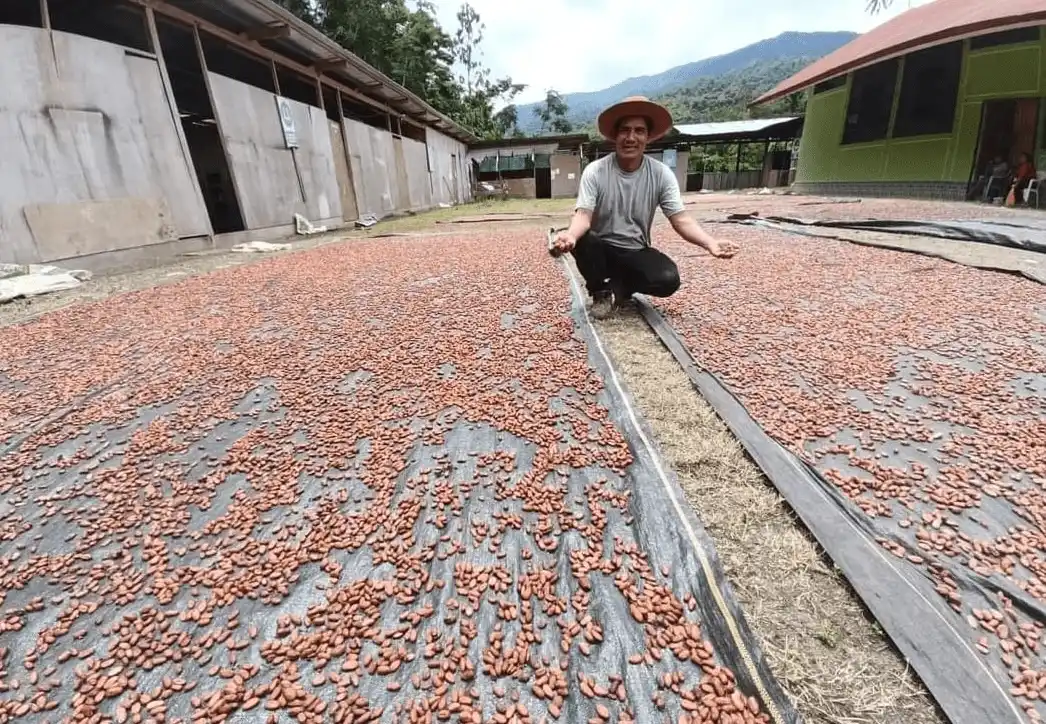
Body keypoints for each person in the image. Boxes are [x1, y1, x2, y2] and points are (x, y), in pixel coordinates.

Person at [549, 96, 737, 319]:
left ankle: (621, 287)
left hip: (635, 249)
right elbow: (583, 215)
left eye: (639, 131)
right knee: (584, 239)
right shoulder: (596, 171)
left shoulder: (660, 174)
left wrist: (710, 243)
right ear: (615, 136)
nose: (631, 137)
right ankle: (600, 291)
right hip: (601, 249)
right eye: (625, 130)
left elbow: (681, 219)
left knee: (668, 279)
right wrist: (570, 235)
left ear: (648, 137)